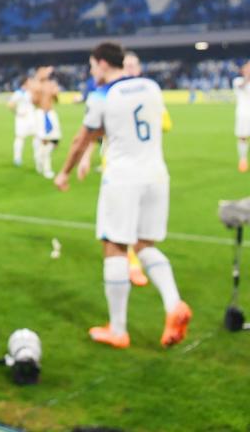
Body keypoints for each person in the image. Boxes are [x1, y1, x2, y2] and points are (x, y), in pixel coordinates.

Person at [54, 42, 191, 349]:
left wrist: (64, 171)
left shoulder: (102, 96)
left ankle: (118, 329)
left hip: (123, 179)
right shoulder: (151, 87)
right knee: (144, 246)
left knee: (115, 247)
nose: (92, 72)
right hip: (156, 176)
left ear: (103, 63)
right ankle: (174, 304)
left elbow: (82, 138)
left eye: (92, 66)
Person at [32, 65, 61, 179]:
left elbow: (56, 100)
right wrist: (37, 92)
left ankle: (39, 157)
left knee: (55, 140)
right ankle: (46, 168)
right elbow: (34, 101)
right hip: (40, 114)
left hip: (51, 114)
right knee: (44, 140)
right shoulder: (35, 85)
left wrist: (55, 93)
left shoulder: (52, 84)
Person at [7, 75, 36, 167]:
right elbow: (10, 105)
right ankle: (17, 158)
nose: (31, 82)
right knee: (20, 138)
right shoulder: (18, 93)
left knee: (36, 137)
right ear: (26, 82)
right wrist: (17, 113)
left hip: (32, 118)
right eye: (29, 81)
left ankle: (37, 157)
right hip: (22, 119)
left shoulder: (31, 92)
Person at [233, 60, 250, 173]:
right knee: (242, 137)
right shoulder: (237, 81)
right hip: (243, 113)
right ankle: (243, 160)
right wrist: (247, 76)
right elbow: (241, 87)